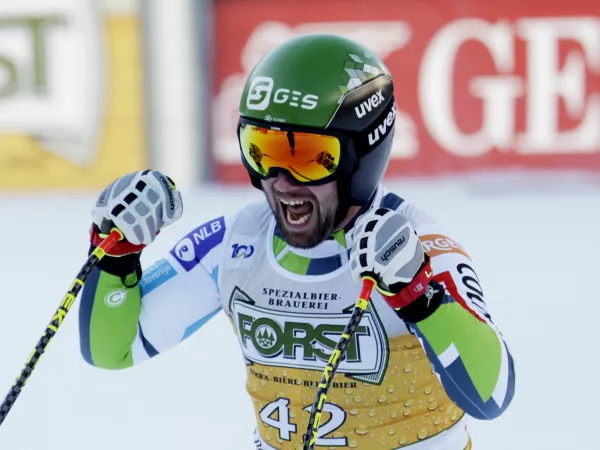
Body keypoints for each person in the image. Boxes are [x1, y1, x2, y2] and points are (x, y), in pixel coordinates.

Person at [79, 34, 515, 450]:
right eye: (261, 151)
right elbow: (112, 348)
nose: (280, 182)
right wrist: (116, 256)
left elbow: (491, 395)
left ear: (361, 155)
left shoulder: (418, 246)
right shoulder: (238, 242)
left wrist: (419, 297)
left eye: (306, 157)